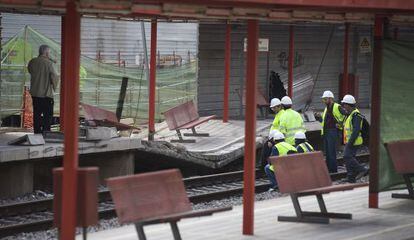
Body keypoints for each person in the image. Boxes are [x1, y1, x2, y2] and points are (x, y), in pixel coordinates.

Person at [28, 45, 59, 134]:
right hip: (46, 94)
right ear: (46, 53)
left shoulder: (32, 62)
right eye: (49, 53)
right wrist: (54, 86)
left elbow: (30, 71)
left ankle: (37, 132)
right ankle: (46, 133)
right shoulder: (49, 63)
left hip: (35, 93)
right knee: (47, 115)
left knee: (37, 114)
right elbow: (55, 76)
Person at [315, 90, 346, 173]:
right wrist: (318, 118)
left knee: (331, 152)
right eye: (323, 99)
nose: (324, 101)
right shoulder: (326, 109)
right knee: (328, 153)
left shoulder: (337, 107)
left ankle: (333, 170)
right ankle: (329, 169)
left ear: (330, 99)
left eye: (325, 99)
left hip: (333, 132)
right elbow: (324, 122)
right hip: (326, 132)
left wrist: (340, 125)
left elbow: (347, 115)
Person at [341, 94, 369, 183]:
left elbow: (356, 130)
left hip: (354, 141)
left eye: (344, 104)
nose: (343, 106)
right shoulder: (351, 114)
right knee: (349, 158)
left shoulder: (356, 115)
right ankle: (351, 178)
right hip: (351, 141)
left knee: (347, 156)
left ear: (348, 105)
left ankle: (362, 169)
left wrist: (350, 142)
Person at [259, 98, 284, 166]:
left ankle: (264, 167)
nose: (272, 110)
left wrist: (272, 141)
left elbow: (281, 129)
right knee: (267, 149)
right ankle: (265, 165)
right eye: (272, 108)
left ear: (279, 106)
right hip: (274, 137)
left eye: (274, 108)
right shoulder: (279, 114)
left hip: (276, 138)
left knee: (266, 149)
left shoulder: (282, 115)